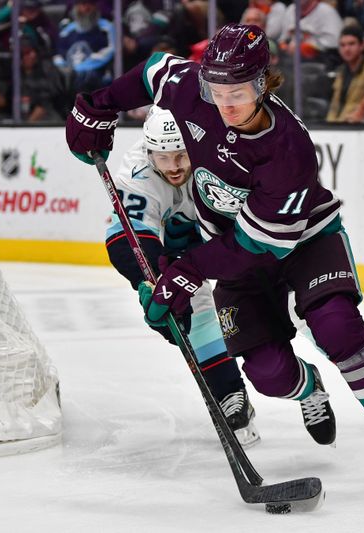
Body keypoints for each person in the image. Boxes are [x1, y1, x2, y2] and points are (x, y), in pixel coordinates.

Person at [66, 23, 364, 484]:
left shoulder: (288, 149)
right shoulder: (192, 91)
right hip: (233, 252)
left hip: (305, 243)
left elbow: (259, 245)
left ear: (262, 83)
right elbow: (154, 69)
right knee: (270, 374)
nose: (226, 102)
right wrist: (98, 106)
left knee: (336, 326)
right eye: (217, 89)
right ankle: (310, 387)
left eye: (237, 90)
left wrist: (191, 268)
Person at [105, 106, 260, 446]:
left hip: (230, 239)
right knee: (191, 316)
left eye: (180, 155)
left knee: (287, 310)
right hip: (175, 249)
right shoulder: (136, 173)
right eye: (164, 157)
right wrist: (150, 285)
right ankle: (231, 395)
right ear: (149, 153)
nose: (174, 167)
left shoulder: (217, 157)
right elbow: (125, 239)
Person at [0, 37, 68, 123]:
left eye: (33, 51)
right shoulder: (16, 76)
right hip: (24, 124)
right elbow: (1, 104)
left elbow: (44, 106)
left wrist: (24, 128)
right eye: (27, 52)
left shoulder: (47, 71)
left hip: (50, 124)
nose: (33, 55)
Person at [54, 0, 115, 94]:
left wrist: (80, 69)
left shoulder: (106, 27)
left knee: (89, 78)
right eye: (83, 4)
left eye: (90, 3)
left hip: (97, 73)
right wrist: (63, 68)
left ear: (96, 6)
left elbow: (111, 51)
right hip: (70, 75)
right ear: (76, 7)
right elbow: (58, 55)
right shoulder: (67, 31)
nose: (86, 8)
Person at [327, 25, 364, 123]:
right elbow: (334, 106)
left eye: (351, 44)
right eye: (342, 45)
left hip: (358, 126)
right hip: (337, 126)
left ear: (362, 46)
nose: (347, 49)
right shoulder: (341, 72)